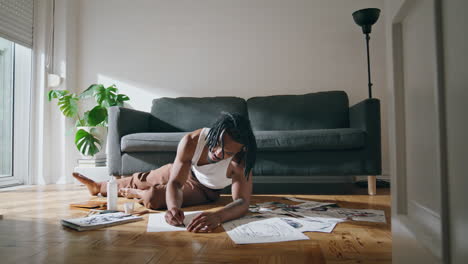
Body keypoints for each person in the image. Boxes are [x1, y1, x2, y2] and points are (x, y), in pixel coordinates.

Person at [73, 112, 257, 233]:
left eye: (228, 153)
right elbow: (176, 183)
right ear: (215, 133)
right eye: (217, 145)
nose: (218, 153)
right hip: (185, 170)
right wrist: (174, 208)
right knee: (143, 178)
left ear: (239, 151)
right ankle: (98, 187)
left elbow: (242, 202)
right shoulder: (192, 140)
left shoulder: (241, 160)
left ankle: (137, 194)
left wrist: (218, 216)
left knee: (154, 197)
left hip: (205, 189)